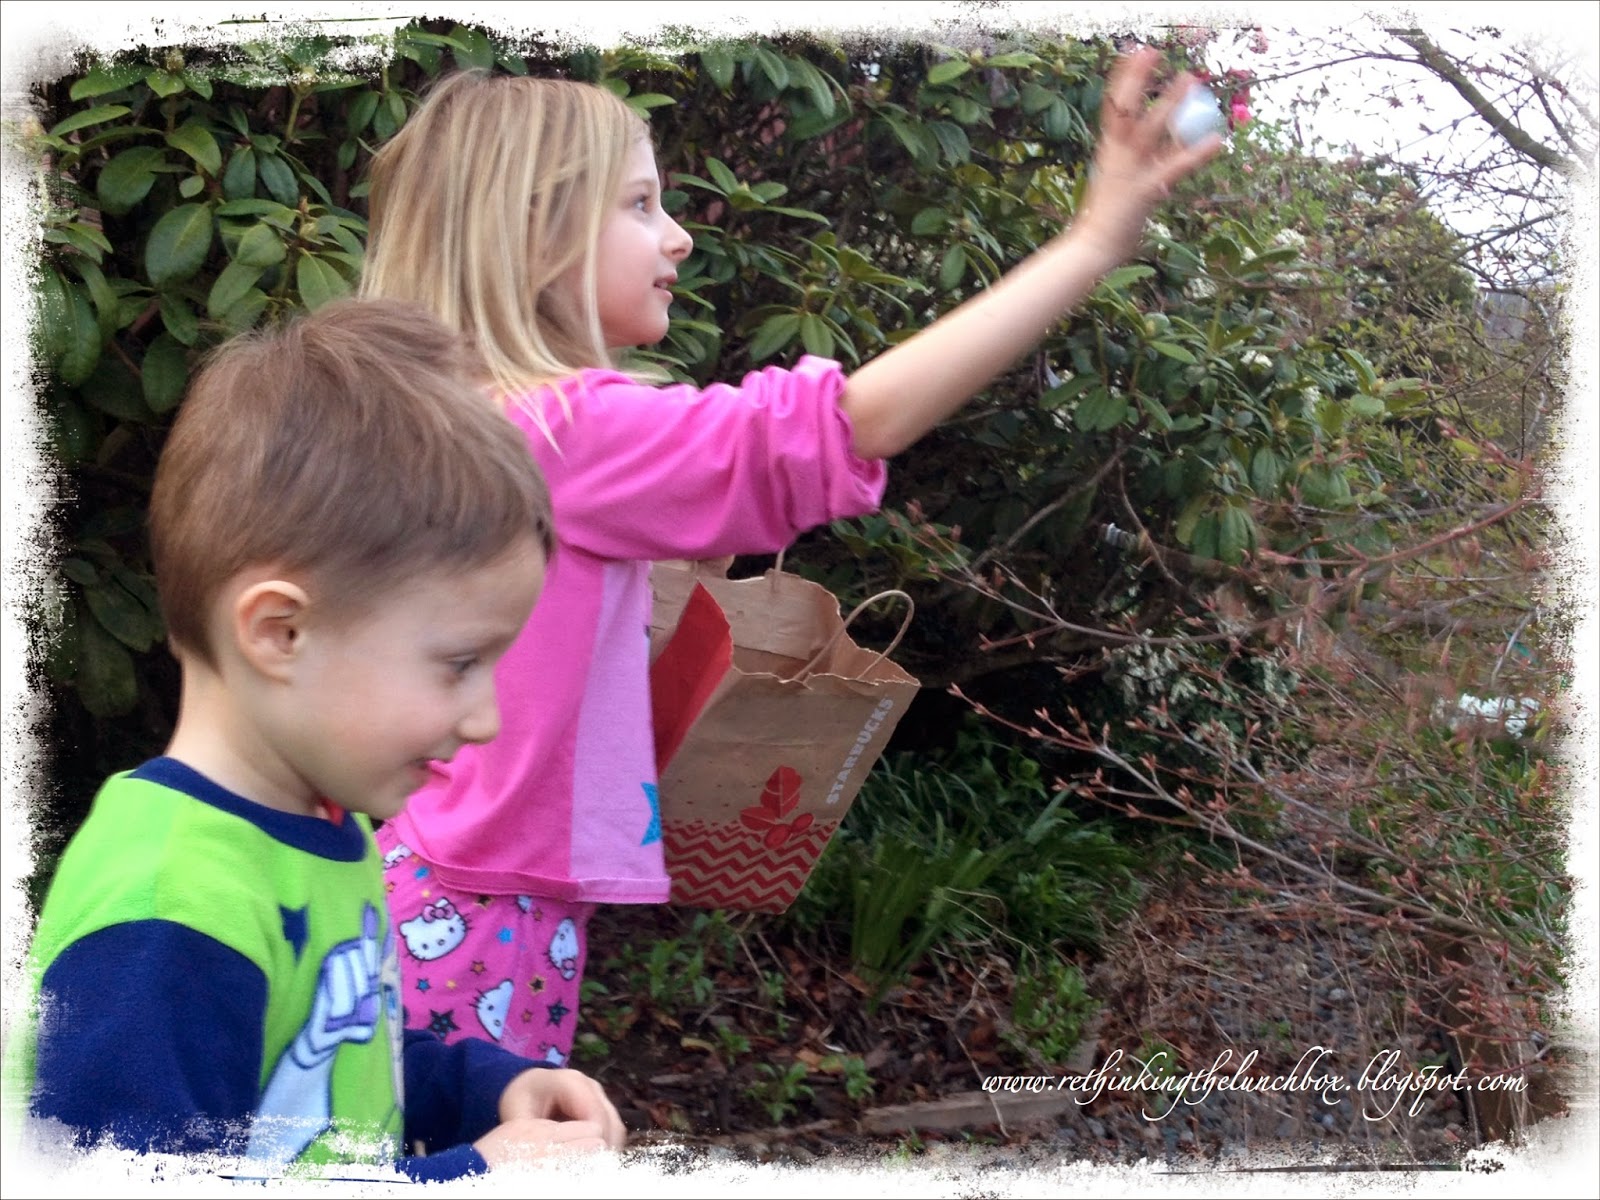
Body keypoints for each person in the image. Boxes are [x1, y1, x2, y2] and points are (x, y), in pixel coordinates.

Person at [359, 47, 1220, 1063]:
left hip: (416, 873)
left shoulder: (439, 417)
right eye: (639, 204)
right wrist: (1089, 242)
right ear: (532, 232)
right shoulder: (563, 432)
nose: (677, 236)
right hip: (479, 909)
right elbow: (830, 431)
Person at [12, 300, 626, 1181]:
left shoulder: (318, 830)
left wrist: (486, 1088)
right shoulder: (173, 911)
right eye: (458, 663)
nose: (486, 718)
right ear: (280, 634)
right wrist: (472, 1176)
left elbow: (330, 1061)